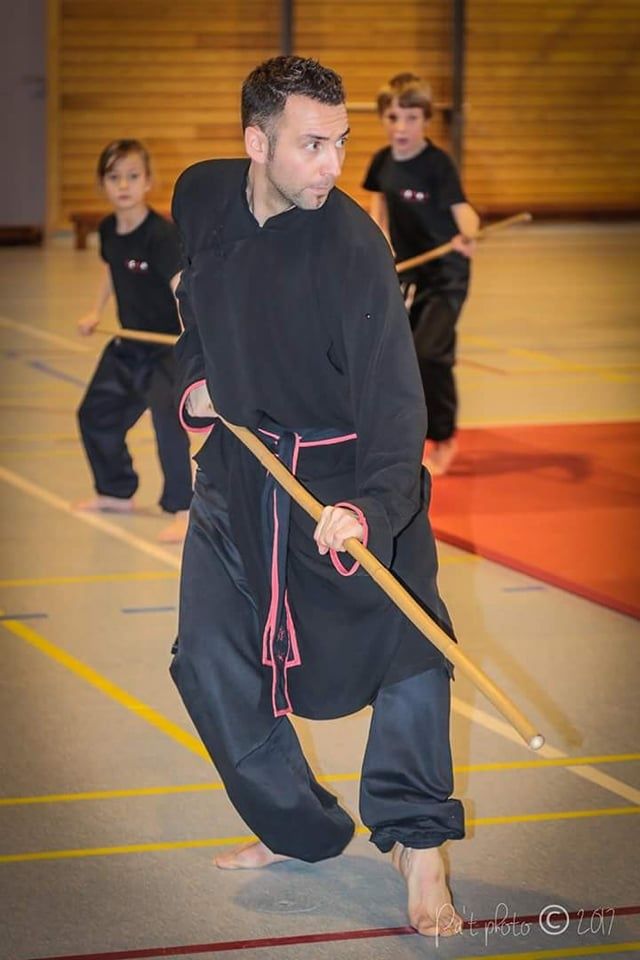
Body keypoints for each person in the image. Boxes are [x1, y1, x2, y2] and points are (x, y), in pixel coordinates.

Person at [170, 57, 465, 937]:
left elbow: (394, 402)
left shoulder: (351, 248)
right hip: (238, 476)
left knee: (409, 654)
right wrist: (196, 385)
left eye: (341, 143)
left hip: (345, 479)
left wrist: (370, 508)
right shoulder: (200, 197)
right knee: (210, 658)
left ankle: (420, 845)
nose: (334, 165)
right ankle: (297, 826)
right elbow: (191, 304)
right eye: (311, 145)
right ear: (254, 142)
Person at [75, 139, 192, 542]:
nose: (123, 185)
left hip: (165, 348)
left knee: (168, 425)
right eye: (113, 177)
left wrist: (191, 339)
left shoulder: (161, 236)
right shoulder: (108, 229)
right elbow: (112, 270)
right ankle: (115, 490)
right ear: (102, 184)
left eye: (132, 176)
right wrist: (96, 311)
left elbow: (182, 287)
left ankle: (183, 508)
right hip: (127, 345)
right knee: (95, 414)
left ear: (148, 182)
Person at [363, 73, 480, 476]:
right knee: (397, 357)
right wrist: (378, 251)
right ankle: (404, 436)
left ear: (425, 120)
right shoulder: (381, 162)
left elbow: (463, 210)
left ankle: (444, 437)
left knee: (430, 353)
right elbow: (377, 212)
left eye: (411, 118)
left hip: (446, 275)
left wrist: (469, 232)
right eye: (394, 117)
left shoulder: (437, 165)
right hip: (406, 272)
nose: (402, 128)